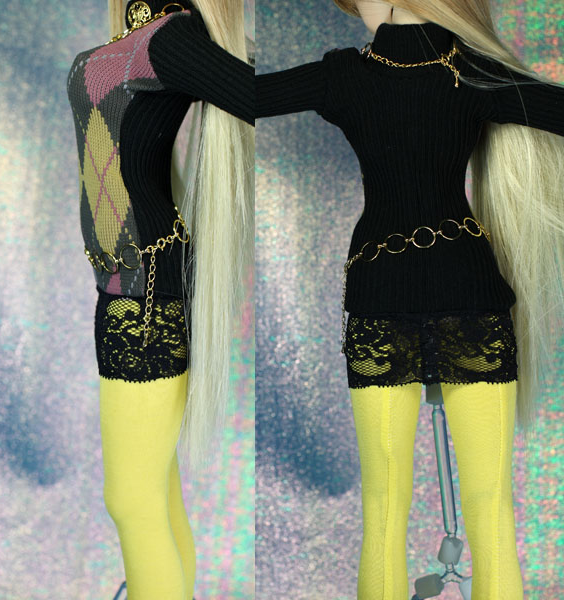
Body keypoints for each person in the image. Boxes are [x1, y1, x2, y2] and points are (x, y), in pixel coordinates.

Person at [256, 0, 564, 598]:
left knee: (383, 510)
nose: (354, 11)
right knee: (491, 511)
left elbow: (241, 94)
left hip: (382, 293)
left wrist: (178, 48)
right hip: (467, 293)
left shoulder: (345, 75)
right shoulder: (472, 70)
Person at [67, 0, 254, 598]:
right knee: (157, 493)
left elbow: (252, 93)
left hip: (143, 291)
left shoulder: (170, 36)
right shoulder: (144, 33)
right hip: (127, 286)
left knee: (132, 499)